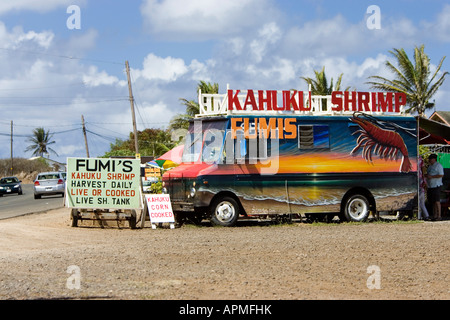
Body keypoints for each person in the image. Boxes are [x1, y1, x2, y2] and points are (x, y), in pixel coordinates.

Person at [426, 154, 444, 221]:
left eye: (431, 159)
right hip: (430, 185)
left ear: (434, 159)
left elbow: (441, 175)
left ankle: (439, 215)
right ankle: (435, 215)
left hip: (436, 185)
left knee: (437, 201)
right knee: (432, 201)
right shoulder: (430, 166)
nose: (430, 160)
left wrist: (432, 177)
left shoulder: (438, 166)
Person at [418, 156, 430, 220]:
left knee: (419, 203)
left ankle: (420, 216)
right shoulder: (420, 159)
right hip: (422, 188)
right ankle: (426, 215)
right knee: (422, 204)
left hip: (419, 186)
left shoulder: (416, 158)